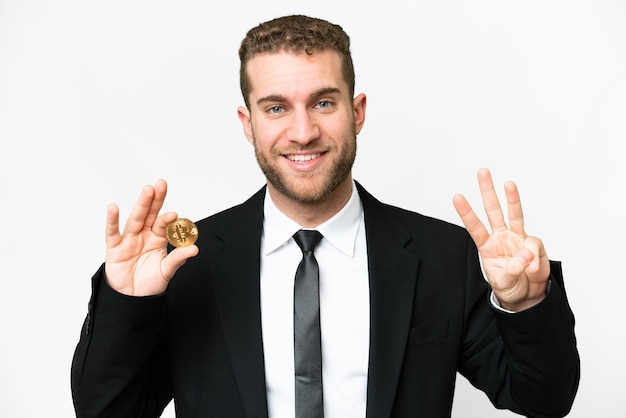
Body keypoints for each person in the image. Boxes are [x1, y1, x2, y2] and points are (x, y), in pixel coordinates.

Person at [71, 14, 580, 418]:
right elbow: (108, 412)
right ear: (247, 124)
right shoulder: (184, 265)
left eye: (323, 102)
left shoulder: (446, 257)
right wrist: (126, 305)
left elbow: (544, 401)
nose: (303, 131)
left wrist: (524, 304)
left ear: (357, 111)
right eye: (276, 108)